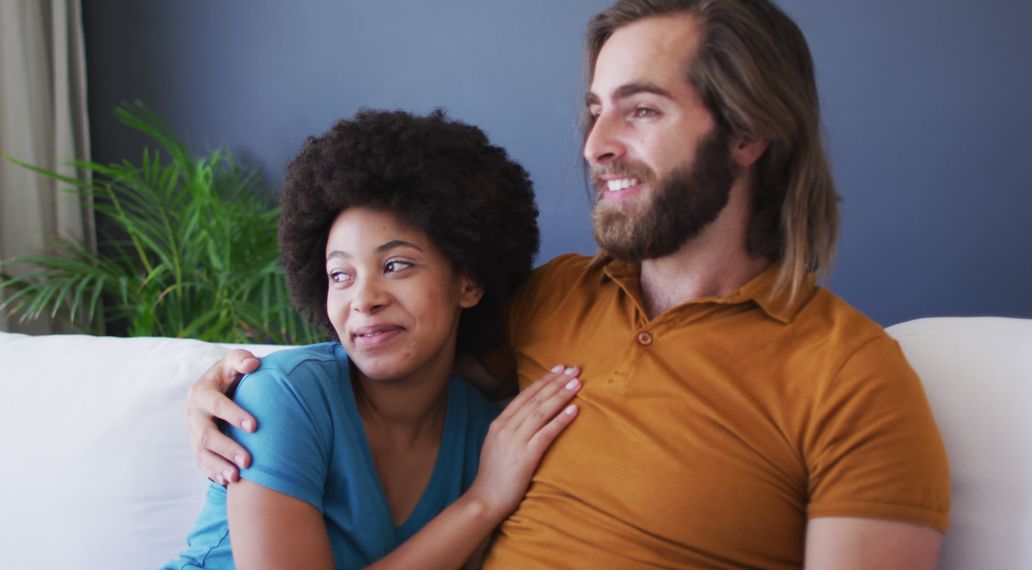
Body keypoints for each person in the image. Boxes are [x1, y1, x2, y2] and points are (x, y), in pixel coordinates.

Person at [187, 1, 951, 567]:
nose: (595, 147)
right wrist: (226, 383)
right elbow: (387, 360)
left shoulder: (851, 377)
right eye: (593, 112)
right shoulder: (550, 299)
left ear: (748, 133)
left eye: (640, 110)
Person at [165, 109, 583, 569]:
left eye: (396, 265)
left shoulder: (491, 434)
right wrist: (481, 503)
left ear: (468, 282)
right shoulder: (284, 395)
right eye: (340, 275)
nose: (363, 300)